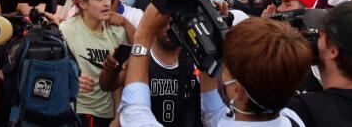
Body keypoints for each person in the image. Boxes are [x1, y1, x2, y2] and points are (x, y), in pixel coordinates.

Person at [121, 7, 312, 126]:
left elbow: (134, 113)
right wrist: (207, 38)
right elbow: (214, 114)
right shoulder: (293, 120)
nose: (221, 73)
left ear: (237, 89)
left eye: (225, 69)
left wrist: (144, 35)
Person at [59, 0, 126, 126]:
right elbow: (54, 70)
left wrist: (117, 117)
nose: (107, 3)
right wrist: (70, 78)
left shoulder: (117, 33)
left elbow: (117, 81)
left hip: (106, 115)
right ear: (82, 3)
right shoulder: (65, 30)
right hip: (75, 112)